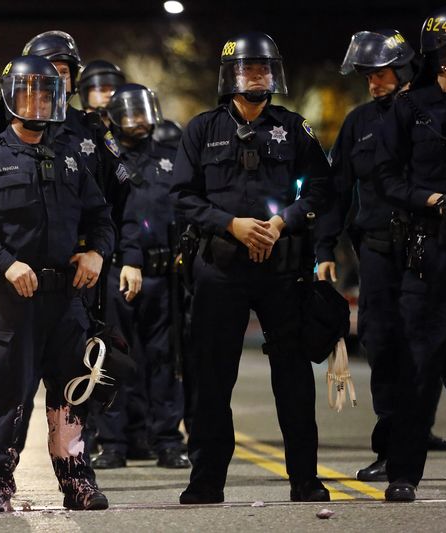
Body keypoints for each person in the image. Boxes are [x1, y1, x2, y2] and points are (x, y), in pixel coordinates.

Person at [171, 32, 332, 504]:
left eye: (264, 68)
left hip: (282, 270)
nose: (257, 76)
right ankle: (206, 480)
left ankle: (305, 478)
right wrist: (231, 225)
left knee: (294, 378)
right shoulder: (201, 129)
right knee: (211, 377)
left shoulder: (294, 127)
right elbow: (182, 197)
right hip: (220, 269)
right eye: (248, 69)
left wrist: (282, 222)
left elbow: (321, 189)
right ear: (230, 78)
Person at [0, 54, 115, 514]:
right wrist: (5, 264)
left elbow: (101, 218)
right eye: (28, 93)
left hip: (66, 302)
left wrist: (96, 252)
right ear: (10, 97)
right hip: (11, 302)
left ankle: (77, 482)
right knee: (9, 393)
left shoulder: (71, 158)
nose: (38, 102)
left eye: (46, 94)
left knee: (72, 394)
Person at [316, 29, 446, 484]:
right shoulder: (359, 122)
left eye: (381, 74)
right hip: (377, 250)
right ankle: (391, 451)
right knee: (382, 346)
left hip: (432, 246)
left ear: (405, 68)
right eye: (367, 76)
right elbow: (337, 189)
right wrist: (324, 247)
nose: (375, 83)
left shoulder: (434, 110)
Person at [374, 3, 446, 502]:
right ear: (441, 51)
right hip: (431, 249)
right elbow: (386, 177)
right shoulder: (410, 107)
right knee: (420, 363)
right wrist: (429, 200)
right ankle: (404, 472)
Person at [90, 84, 189, 470]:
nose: (137, 121)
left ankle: (167, 440)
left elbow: (185, 206)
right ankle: (113, 442)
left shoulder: (170, 156)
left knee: (165, 359)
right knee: (115, 359)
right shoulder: (105, 160)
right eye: (128, 114)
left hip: (165, 275)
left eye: (142, 112)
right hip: (118, 271)